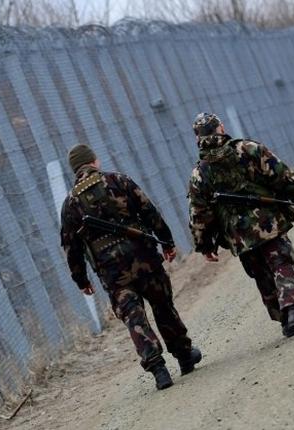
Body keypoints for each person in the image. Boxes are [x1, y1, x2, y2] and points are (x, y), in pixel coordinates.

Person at [60, 144, 201, 390]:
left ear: (75, 169)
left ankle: (158, 369)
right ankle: (185, 356)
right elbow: (149, 211)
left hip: (112, 271)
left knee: (133, 316)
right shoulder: (118, 180)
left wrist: (81, 279)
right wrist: (166, 241)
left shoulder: (70, 203)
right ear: (95, 161)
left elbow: (71, 247)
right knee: (163, 306)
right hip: (144, 257)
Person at [187, 112, 294, 337]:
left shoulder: (200, 173)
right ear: (220, 127)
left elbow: (199, 213)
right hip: (268, 221)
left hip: (238, 234)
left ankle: (285, 319)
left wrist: (205, 245)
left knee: (260, 273)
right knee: (280, 262)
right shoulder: (247, 148)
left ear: (197, 138)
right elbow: (279, 173)